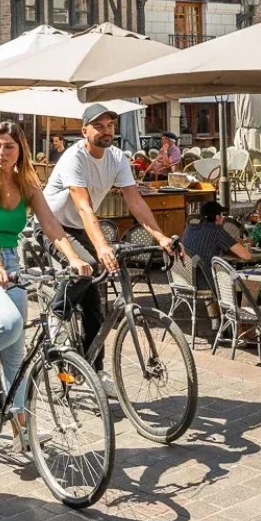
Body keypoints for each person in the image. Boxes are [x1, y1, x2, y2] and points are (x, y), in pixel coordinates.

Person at [0, 122, 91, 452]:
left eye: (9, 147)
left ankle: (21, 432)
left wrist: (73, 258)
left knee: (15, 356)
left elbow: (51, 226)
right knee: (8, 323)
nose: (2, 153)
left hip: (10, 267)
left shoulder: (28, 185)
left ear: (21, 151)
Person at [43, 104, 182, 397]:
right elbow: (83, 205)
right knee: (88, 267)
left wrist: (159, 237)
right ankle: (56, 316)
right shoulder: (74, 158)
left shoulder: (117, 157)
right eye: (99, 126)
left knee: (96, 302)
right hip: (54, 227)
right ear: (85, 132)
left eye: (109, 126)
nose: (106, 131)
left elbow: (136, 202)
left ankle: (97, 369)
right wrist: (102, 245)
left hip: (81, 228)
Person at [183, 201, 253, 326]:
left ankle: (216, 320)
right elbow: (246, 256)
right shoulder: (217, 231)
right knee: (246, 282)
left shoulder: (189, 228)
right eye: (222, 214)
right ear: (217, 217)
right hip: (206, 283)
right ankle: (236, 323)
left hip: (184, 280)